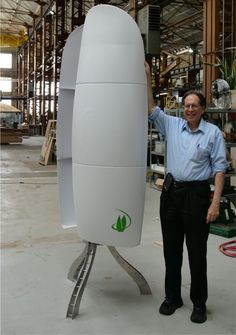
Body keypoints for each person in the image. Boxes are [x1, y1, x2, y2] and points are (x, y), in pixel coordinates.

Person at [145, 61, 228, 323]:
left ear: (202, 109)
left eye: (195, 105)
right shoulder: (171, 125)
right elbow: (150, 108)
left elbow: (219, 170)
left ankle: (199, 303)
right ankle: (172, 297)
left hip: (197, 197)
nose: (190, 109)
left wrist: (215, 204)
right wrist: (147, 76)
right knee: (171, 250)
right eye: (187, 105)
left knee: (196, 252)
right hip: (171, 195)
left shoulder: (213, 133)